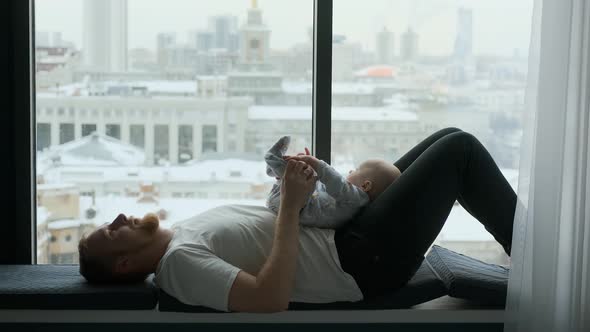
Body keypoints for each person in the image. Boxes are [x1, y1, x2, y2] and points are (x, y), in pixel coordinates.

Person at [78, 127, 517, 313]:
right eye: (110, 231)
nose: (118, 216)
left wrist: (311, 194)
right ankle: (550, 274)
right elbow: (266, 299)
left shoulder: (185, 235)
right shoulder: (177, 265)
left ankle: (540, 262)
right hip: (360, 262)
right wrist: (291, 204)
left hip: (347, 237)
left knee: (445, 141)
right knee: (459, 150)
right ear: (123, 265)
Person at [265, 135, 401, 228]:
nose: (350, 172)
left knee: (304, 177)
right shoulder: (351, 204)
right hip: (294, 204)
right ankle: (276, 169)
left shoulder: (358, 199)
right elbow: (324, 187)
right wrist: (310, 167)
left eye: (356, 170)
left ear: (365, 186)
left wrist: (316, 163)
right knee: (306, 175)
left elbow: (336, 182)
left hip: (296, 209)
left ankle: (272, 160)